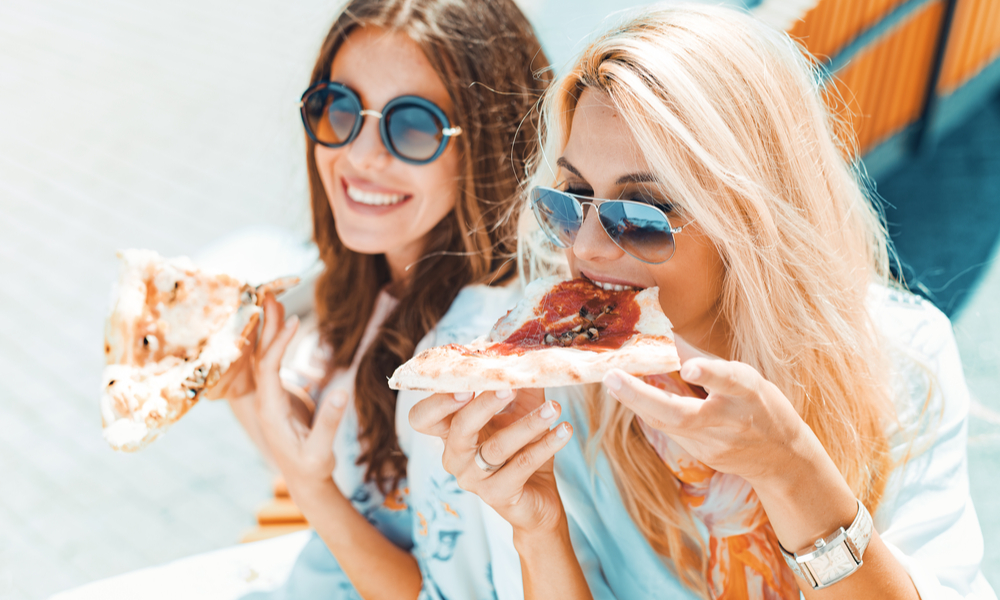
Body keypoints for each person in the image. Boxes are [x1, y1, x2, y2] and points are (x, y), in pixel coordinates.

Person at [408, 5, 997, 600]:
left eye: (640, 213)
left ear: (750, 222)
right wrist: (536, 529)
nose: (586, 246)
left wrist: (790, 469)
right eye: (573, 197)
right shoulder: (558, 404)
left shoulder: (902, 357)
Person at [217, 1, 552, 598]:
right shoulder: (384, 278)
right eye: (339, 108)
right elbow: (374, 493)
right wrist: (246, 392)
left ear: (489, 142)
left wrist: (310, 489)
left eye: (414, 125)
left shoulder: (463, 365)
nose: (361, 154)